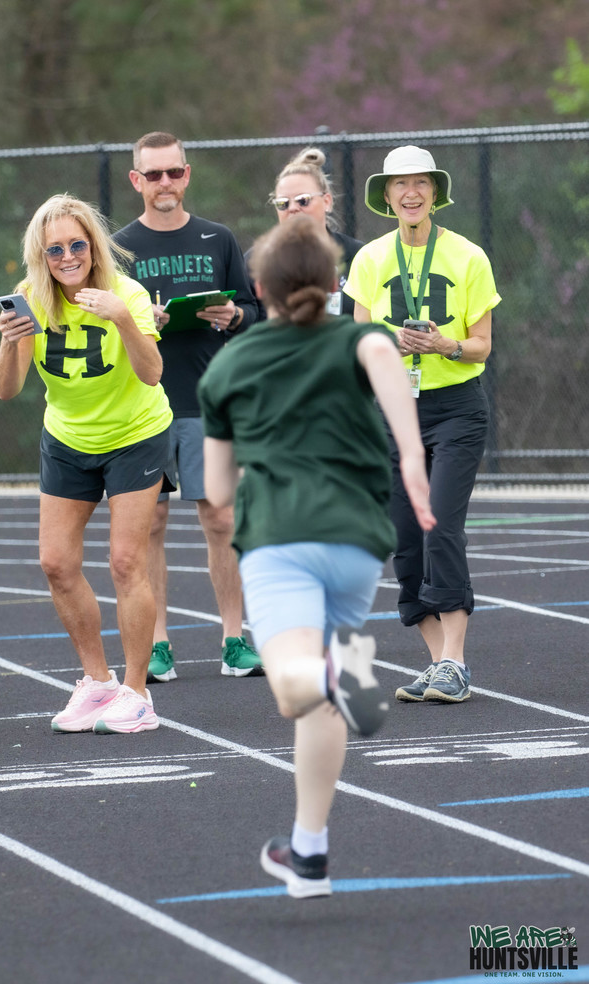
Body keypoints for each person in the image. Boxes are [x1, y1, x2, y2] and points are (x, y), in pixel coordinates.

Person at [198, 217, 435, 899]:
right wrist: (412, 461)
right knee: (320, 706)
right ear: (334, 282)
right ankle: (308, 852)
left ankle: (340, 672)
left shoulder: (230, 365)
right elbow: (386, 364)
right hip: (358, 543)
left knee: (297, 690)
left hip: (279, 540)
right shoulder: (361, 339)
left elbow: (216, 491)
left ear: (257, 288)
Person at [0, 194, 173, 734]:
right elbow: (7, 389)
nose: (67, 256)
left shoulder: (127, 293)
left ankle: (138, 694)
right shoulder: (30, 297)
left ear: (94, 246)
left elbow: (152, 373)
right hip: (68, 438)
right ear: (40, 256)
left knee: (126, 562)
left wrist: (123, 320)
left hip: (134, 435)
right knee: (56, 563)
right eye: (55, 250)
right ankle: (97, 682)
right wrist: (7, 345)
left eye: (77, 245)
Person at [345, 145, 501, 703]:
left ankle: (455, 660)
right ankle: (440, 665)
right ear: (386, 196)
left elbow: (482, 345)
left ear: (435, 192)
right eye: (399, 184)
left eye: (421, 183)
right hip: (392, 413)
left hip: (456, 408)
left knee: (441, 527)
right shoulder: (370, 259)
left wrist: (444, 345)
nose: (410, 193)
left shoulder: (469, 256)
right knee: (405, 542)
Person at [113, 131, 262, 684]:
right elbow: (101, 322)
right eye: (153, 174)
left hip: (207, 401)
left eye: (173, 172)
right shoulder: (118, 249)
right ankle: (158, 645)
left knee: (221, 518)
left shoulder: (217, 238)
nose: (165, 183)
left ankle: (233, 641)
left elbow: (252, 309)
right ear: (137, 180)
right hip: (142, 404)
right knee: (150, 523)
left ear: (187, 175)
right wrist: (137, 321)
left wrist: (234, 316)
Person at [248, 146, 363, 318]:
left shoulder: (359, 256)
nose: (293, 208)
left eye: (303, 200)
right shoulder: (257, 260)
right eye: (283, 203)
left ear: (327, 201)